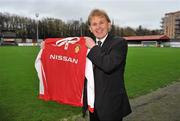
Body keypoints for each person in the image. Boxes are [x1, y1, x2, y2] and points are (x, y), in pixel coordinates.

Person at [84, 9, 132, 121]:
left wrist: (93, 47)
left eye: (101, 22)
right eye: (94, 24)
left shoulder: (119, 43)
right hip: (93, 104)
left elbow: (108, 65)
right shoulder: (85, 46)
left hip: (111, 105)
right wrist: (48, 47)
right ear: (90, 28)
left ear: (109, 24)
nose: (98, 27)